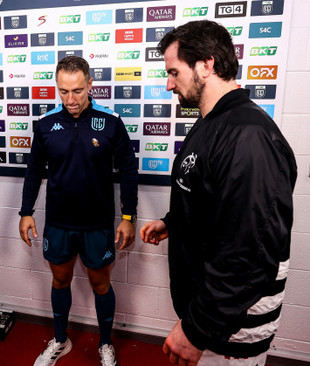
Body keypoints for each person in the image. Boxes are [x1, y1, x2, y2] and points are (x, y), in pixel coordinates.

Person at [139, 20, 297, 366]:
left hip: (233, 323)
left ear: (206, 65)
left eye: (173, 72)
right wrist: (174, 222)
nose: (168, 85)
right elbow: (212, 198)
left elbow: (248, 251)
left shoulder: (248, 137)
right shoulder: (212, 121)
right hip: (214, 312)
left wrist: (197, 328)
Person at [19, 55, 138, 366]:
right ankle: (60, 340)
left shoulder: (110, 121)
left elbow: (128, 168)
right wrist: (25, 211)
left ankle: (106, 344)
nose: (70, 99)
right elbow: (34, 170)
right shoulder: (46, 124)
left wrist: (128, 217)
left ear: (90, 85)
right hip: (58, 222)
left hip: (97, 223)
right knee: (60, 281)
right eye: (63, 91)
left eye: (77, 91)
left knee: (101, 284)